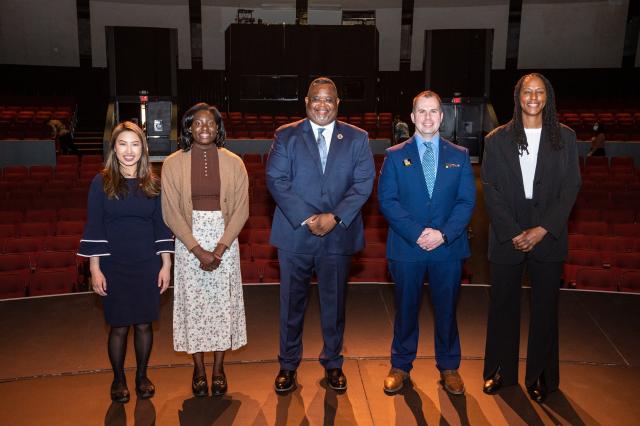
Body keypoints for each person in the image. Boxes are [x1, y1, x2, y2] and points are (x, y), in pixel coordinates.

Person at [266, 77, 375, 393]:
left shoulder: (357, 138)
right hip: (294, 236)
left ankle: (333, 364)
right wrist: (307, 217)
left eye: (329, 99)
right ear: (306, 102)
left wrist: (335, 216)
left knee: (334, 304)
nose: (322, 105)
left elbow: (363, 183)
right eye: (316, 99)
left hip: (337, 236)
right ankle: (288, 365)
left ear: (338, 103)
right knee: (291, 305)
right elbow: (276, 180)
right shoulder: (286, 136)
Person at [481, 73, 581, 403]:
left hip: (547, 234)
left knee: (545, 310)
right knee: (503, 307)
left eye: (540, 92)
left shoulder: (565, 138)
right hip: (507, 234)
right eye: (528, 91)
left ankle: (542, 375)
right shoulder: (496, 139)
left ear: (547, 97)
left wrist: (542, 229)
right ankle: (500, 371)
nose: (533, 97)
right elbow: (491, 189)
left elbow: (571, 188)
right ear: (518, 97)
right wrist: (513, 231)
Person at [378, 90, 476, 395]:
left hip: (448, 248)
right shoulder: (394, 156)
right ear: (412, 116)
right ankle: (400, 366)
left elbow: (466, 201)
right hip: (408, 248)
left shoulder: (459, 155)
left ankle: (449, 367)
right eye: (422, 111)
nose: (428, 117)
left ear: (442, 116)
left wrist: (443, 234)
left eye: (434, 111)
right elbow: (387, 200)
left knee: (446, 310)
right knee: (406, 309)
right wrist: (418, 233)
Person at [78, 121, 174, 403]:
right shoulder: (102, 181)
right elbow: (94, 226)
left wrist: (166, 265)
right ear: (114, 148)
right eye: (123, 144)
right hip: (113, 264)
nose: (129, 151)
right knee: (119, 326)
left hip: (147, 264)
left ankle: (142, 376)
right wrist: (94, 268)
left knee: (144, 325)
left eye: (135, 144)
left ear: (143, 148)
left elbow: (161, 227)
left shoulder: (154, 182)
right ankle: (118, 379)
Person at [161, 103, 249, 397]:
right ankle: (198, 370)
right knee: (194, 309)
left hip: (225, 238)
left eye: (209, 123)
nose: (203, 128)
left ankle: (219, 369)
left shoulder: (235, 162)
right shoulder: (172, 163)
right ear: (187, 128)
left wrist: (220, 248)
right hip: (189, 241)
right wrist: (197, 249)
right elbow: (170, 211)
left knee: (222, 307)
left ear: (218, 127)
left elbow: (241, 210)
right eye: (197, 123)